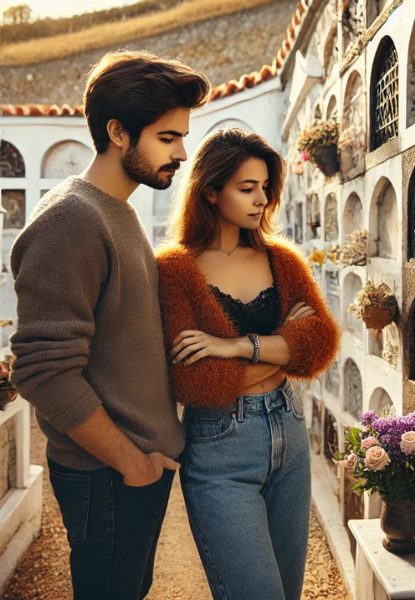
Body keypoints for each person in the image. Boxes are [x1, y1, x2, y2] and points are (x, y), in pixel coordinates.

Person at [10, 51, 210, 599]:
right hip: (109, 474)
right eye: (168, 137)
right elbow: (45, 373)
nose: (183, 153)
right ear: (119, 132)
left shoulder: (117, 211)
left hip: (132, 470)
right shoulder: (73, 219)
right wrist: (133, 464)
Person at [155, 128, 341, 600]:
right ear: (211, 191)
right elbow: (197, 382)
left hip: (290, 433)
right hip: (220, 449)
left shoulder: (281, 259)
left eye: (264, 187)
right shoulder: (175, 269)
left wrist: (235, 346)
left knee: (289, 591)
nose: (262, 199)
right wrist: (282, 348)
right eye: (246, 188)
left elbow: (320, 343)